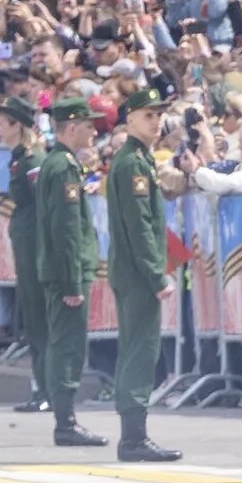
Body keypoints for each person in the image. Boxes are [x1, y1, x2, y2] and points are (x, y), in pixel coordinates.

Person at [104, 86, 181, 463]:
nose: (157, 121)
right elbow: (139, 225)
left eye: (159, 114)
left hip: (133, 270)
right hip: (138, 273)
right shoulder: (133, 162)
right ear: (130, 119)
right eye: (148, 115)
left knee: (138, 347)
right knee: (140, 350)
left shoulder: (138, 159)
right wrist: (156, 274)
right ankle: (133, 437)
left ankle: (134, 434)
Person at [37, 97, 108, 449]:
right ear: (71, 127)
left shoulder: (60, 164)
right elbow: (65, 229)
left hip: (65, 268)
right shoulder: (63, 166)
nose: (94, 131)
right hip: (67, 270)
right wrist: (71, 280)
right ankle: (65, 421)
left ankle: (65, 418)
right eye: (88, 124)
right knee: (67, 346)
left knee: (64, 343)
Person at [0, 95, 53, 417]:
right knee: (33, 318)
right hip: (26, 244)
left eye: (2, 122)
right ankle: (42, 387)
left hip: (35, 247)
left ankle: (47, 389)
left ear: (18, 125)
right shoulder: (19, 159)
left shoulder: (32, 160)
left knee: (40, 320)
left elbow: (44, 208)